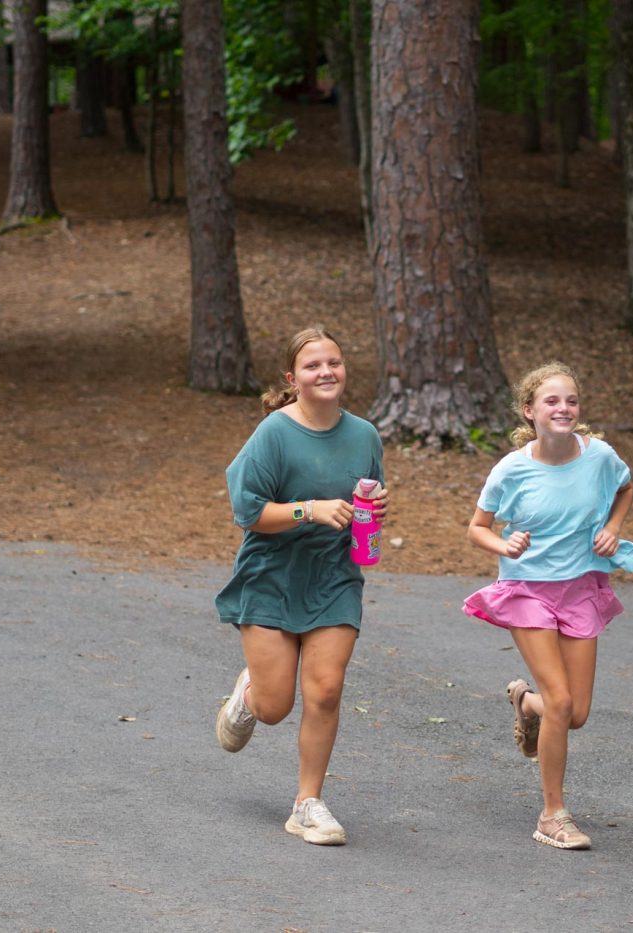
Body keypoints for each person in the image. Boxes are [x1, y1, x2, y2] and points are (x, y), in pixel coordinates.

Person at [213, 325, 387, 846]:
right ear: (293, 378)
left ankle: (307, 804)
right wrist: (308, 510)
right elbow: (247, 511)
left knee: (326, 690)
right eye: (313, 366)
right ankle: (250, 694)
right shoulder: (274, 433)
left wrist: (373, 512)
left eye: (334, 362)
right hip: (272, 575)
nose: (326, 372)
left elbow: (366, 499)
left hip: (334, 576)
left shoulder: (364, 434)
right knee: (275, 707)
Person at [463, 362, 633, 850]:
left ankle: (526, 703)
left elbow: (626, 488)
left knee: (575, 712)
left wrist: (613, 528)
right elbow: (477, 527)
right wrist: (504, 545)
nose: (563, 408)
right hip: (528, 590)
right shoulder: (512, 469)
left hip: (581, 587)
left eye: (571, 400)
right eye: (551, 401)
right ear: (530, 411)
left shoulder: (600, 456)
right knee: (561, 703)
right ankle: (552, 815)